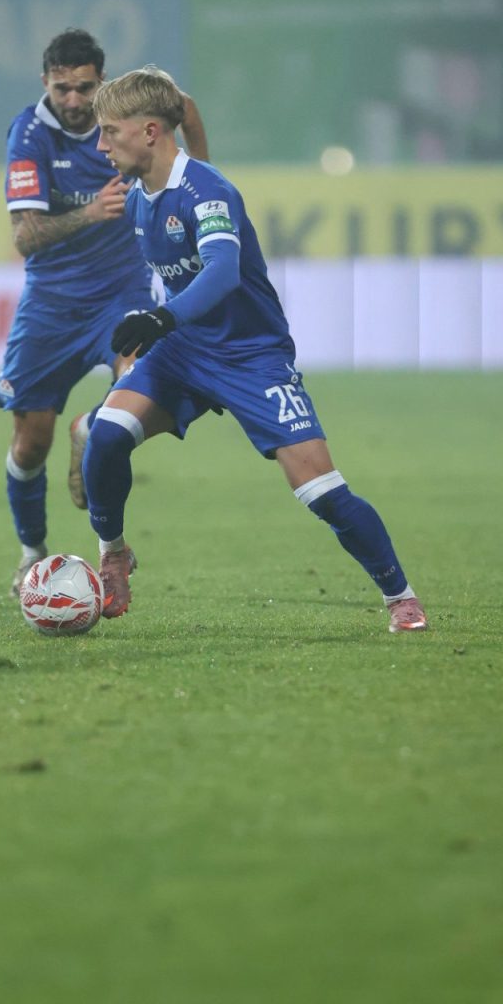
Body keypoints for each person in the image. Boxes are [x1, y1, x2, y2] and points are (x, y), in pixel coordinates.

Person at [81, 65, 428, 634]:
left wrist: (160, 316)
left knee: (322, 491)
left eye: (110, 132)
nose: (101, 146)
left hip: (251, 357)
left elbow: (221, 273)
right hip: (183, 351)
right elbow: (184, 108)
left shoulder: (208, 191)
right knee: (106, 434)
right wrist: (162, 323)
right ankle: (113, 555)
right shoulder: (139, 195)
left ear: (149, 132)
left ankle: (401, 597)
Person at [0, 29, 208, 596]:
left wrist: (202, 174)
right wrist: (90, 213)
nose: (74, 100)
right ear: (45, 82)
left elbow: (185, 108)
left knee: (139, 385)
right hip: (51, 302)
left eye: (85, 88)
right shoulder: (29, 135)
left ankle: (91, 429)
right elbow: (24, 237)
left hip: (122, 291)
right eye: (62, 88)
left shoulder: (123, 113)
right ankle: (31, 554)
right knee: (30, 442)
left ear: (102, 81)